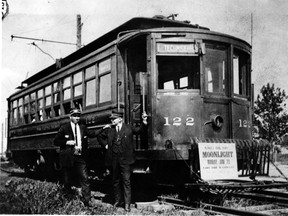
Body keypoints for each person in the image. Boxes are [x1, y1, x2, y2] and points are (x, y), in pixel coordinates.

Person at [54, 108, 103, 206]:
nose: (77, 118)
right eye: (75, 116)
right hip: (68, 157)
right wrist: (66, 142)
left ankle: (87, 200)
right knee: (67, 179)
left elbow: (92, 134)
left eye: (78, 116)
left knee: (84, 178)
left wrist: (103, 129)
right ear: (70, 117)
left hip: (80, 157)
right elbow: (56, 141)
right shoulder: (64, 128)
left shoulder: (83, 127)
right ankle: (67, 199)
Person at [102, 111, 148, 212]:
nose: (112, 120)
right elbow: (100, 136)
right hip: (114, 159)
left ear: (120, 119)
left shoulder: (128, 128)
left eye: (114, 119)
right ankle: (118, 201)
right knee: (115, 181)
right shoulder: (110, 130)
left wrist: (144, 121)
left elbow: (140, 131)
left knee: (126, 181)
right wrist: (105, 145)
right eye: (111, 119)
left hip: (126, 160)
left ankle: (127, 204)